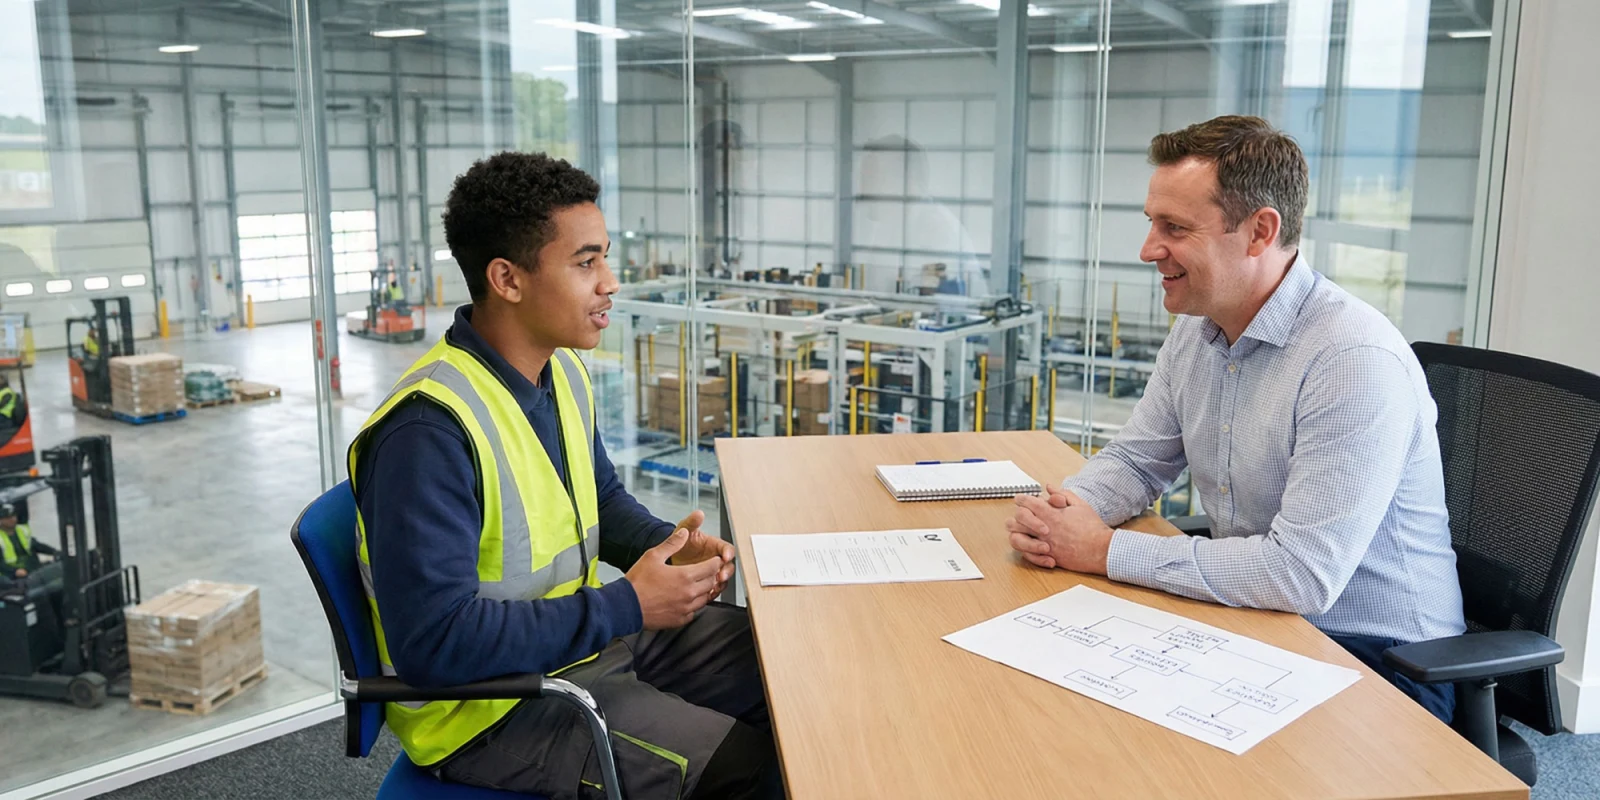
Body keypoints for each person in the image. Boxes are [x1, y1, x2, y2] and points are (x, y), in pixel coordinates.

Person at [1007, 115, 1465, 723]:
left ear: (1259, 232)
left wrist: (1103, 551)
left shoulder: (1352, 360)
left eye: (1175, 228)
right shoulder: (1199, 330)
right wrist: (1065, 517)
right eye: (1151, 223)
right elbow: (1137, 460)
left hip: (1382, 663)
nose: (1149, 249)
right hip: (1266, 627)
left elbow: (1300, 575)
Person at [351, 152, 778, 800]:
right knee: (739, 767)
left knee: (785, 672)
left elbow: (597, 499)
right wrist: (628, 604)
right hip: (497, 708)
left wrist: (664, 547)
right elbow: (433, 644)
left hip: (582, 643)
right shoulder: (428, 434)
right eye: (586, 263)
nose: (610, 282)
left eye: (604, 257)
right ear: (508, 279)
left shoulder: (561, 373)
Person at [0, 503, 52, 580]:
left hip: (31, 569)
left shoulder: (22, 530)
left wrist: (54, 552)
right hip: (11, 576)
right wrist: (15, 571)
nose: (13, 519)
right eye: (8, 517)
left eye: (14, 516)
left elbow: (37, 545)